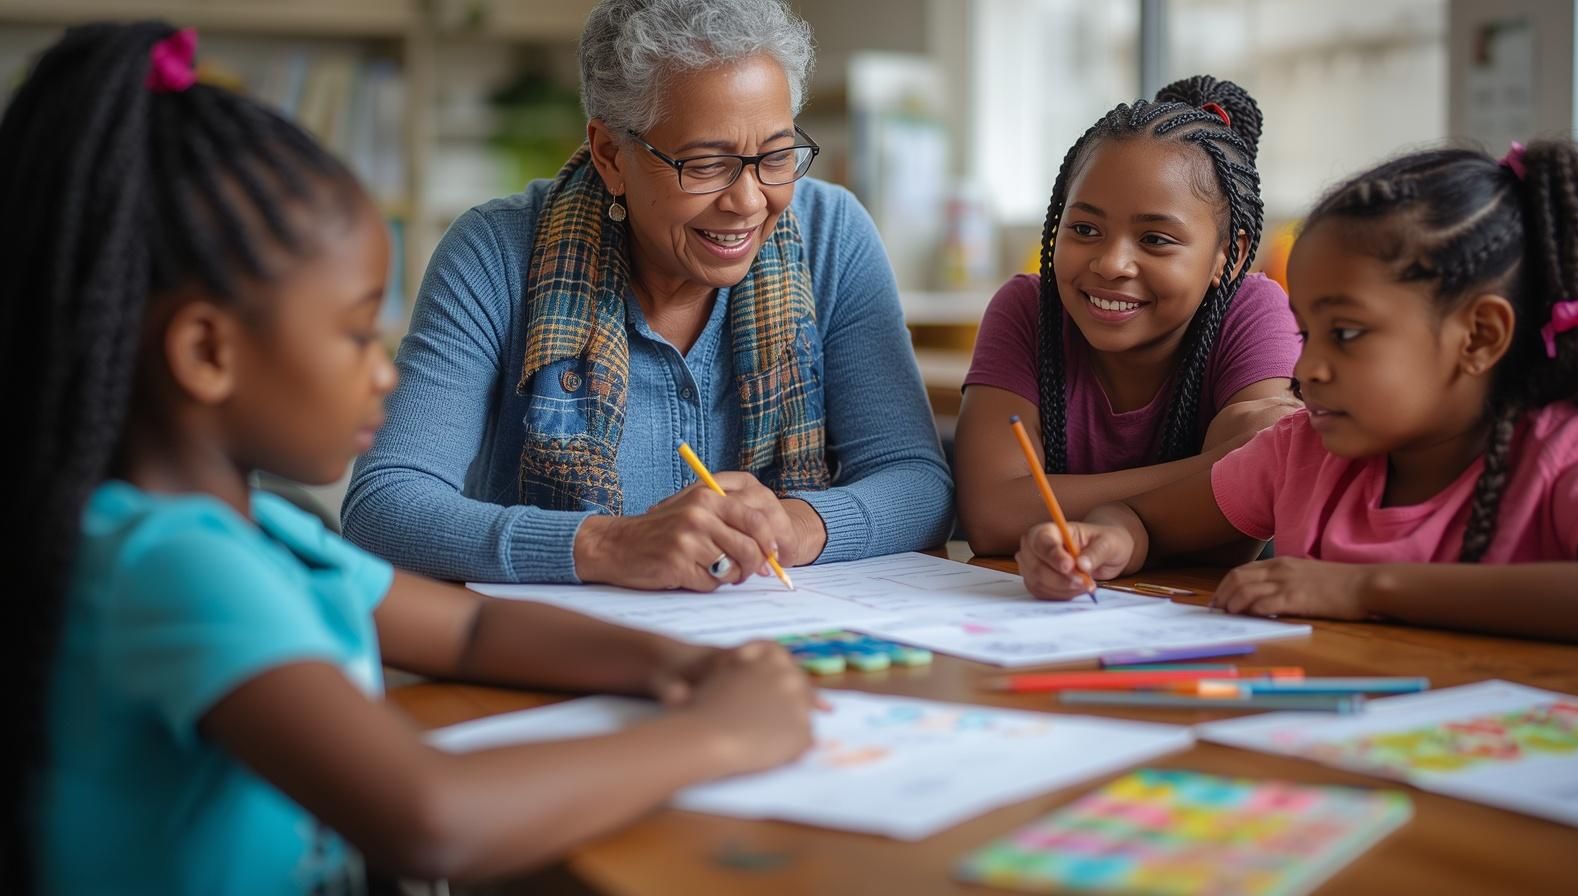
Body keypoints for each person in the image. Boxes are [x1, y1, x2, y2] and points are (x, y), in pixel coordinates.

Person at [0, 23, 816, 894]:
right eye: (356, 335)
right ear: (208, 352)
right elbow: (433, 822)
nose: (385, 372)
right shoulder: (175, 569)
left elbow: (471, 630)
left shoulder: (268, 533)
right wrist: (720, 735)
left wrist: (680, 665)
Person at [341, 0, 954, 590]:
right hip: (561, 657)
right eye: (705, 164)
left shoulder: (831, 236)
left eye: (774, 155)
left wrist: (795, 526)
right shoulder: (496, 251)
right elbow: (386, 503)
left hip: (778, 647)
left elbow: (918, 483)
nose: (747, 201)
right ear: (611, 154)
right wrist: (610, 545)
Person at [1018, 141, 1578, 644]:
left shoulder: (1570, 453)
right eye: (1305, 332)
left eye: (1346, 334)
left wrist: (1366, 588)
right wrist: (1104, 541)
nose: (1308, 367)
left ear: (1480, 335)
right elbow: (1143, 520)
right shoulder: (1301, 451)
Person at [955, 76, 1302, 556]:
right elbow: (991, 518)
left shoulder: (1251, 311)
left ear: (1231, 256)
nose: (1111, 264)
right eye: (1084, 228)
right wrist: (1218, 470)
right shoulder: (1028, 310)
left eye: (1156, 239)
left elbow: (1254, 506)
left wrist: (1244, 471)